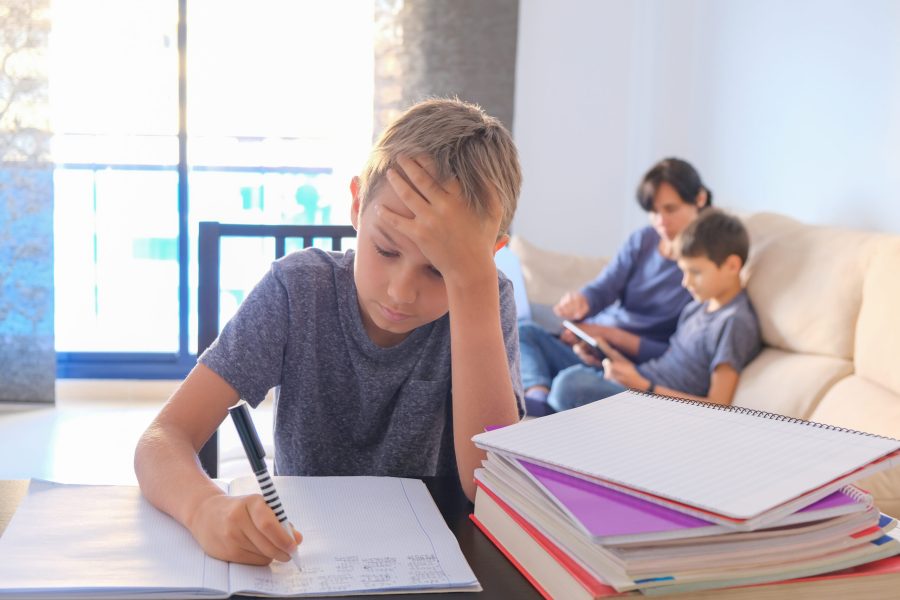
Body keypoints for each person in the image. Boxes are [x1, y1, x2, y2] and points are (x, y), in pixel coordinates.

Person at [134, 98, 524, 565]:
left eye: (439, 271)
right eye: (386, 250)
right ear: (358, 205)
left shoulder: (485, 297)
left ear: (490, 256)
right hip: (303, 555)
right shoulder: (299, 290)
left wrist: (473, 284)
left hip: (432, 562)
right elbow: (162, 439)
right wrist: (203, 508)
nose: (401, 293)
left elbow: (493, 488)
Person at [519, 158, 712, 415]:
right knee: (524, 332)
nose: (661, 222)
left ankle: (546, 398)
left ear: (699, 199)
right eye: (654, 211)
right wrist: (582, 303)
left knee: (572, 384)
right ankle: (538, 398)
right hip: (595, 347)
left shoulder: (703, 271)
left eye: (671, 209)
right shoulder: (644, 240)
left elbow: (676, 355)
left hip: (625, 367)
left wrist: (608, 336)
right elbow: (604, 287)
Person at [550, 209, 762, 411]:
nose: (686, 283)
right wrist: (611, 356)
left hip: (656, 403)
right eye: (683, 272)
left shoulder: (733, 322)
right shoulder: (696, 307)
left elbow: (718, 405)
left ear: (732, 266)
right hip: (640, 381)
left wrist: (644, 387)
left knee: (571, 383)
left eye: (695, 272)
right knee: (537, 339)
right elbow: (667, 364)